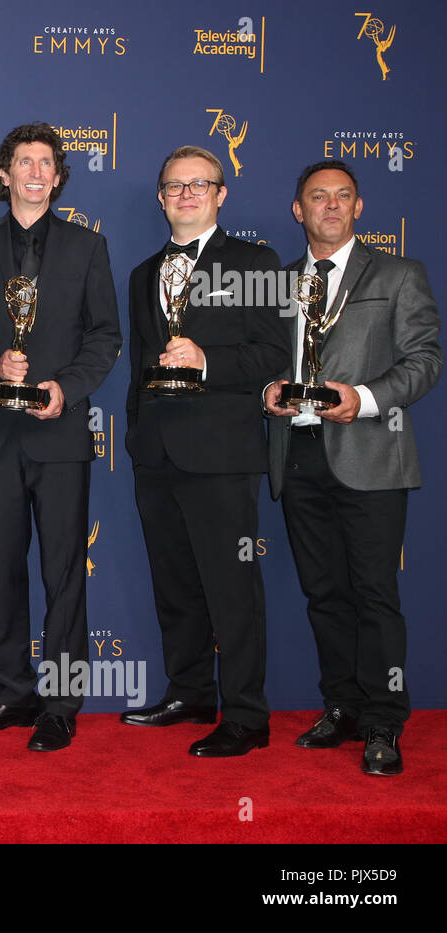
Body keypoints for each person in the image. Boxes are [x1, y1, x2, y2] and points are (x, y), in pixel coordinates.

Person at [264, 160, 441, 776]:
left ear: (359, 209)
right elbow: (265, 358)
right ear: (299, 210)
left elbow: (424, 360)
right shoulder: (278, 283)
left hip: (370, 453)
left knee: (374, 594)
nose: (331, 207)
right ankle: (340, 706)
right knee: (324, 594)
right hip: (298, 454)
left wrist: (361, 400)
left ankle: (384, 721)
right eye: (318, 197)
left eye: (343, 197)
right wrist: (268, 390)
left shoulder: (398, 274)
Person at [0, 123, 121, 751]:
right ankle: (12, 693)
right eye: (23, 161)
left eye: (45, 163)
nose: (33, 172)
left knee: (64, 574)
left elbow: (105, 336)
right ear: (3, 173)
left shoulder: (88, 247)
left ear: (57, 176)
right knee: (2, 568)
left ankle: (62, 702)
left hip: (59, 432)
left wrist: (66, 388)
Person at [121, 145, 289, 757]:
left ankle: (246, 715)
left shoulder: (254, 261)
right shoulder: (143, 274)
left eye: (200, 184)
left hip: (221, 453)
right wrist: (138, 434)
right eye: (175, 186)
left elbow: (275, 356)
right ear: (161, 198)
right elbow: (141, 362)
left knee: (232, 589)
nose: (186, 194)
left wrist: (207, 361)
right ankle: (189, 691)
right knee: (176, 584)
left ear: (221, 195)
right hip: (156, 453)